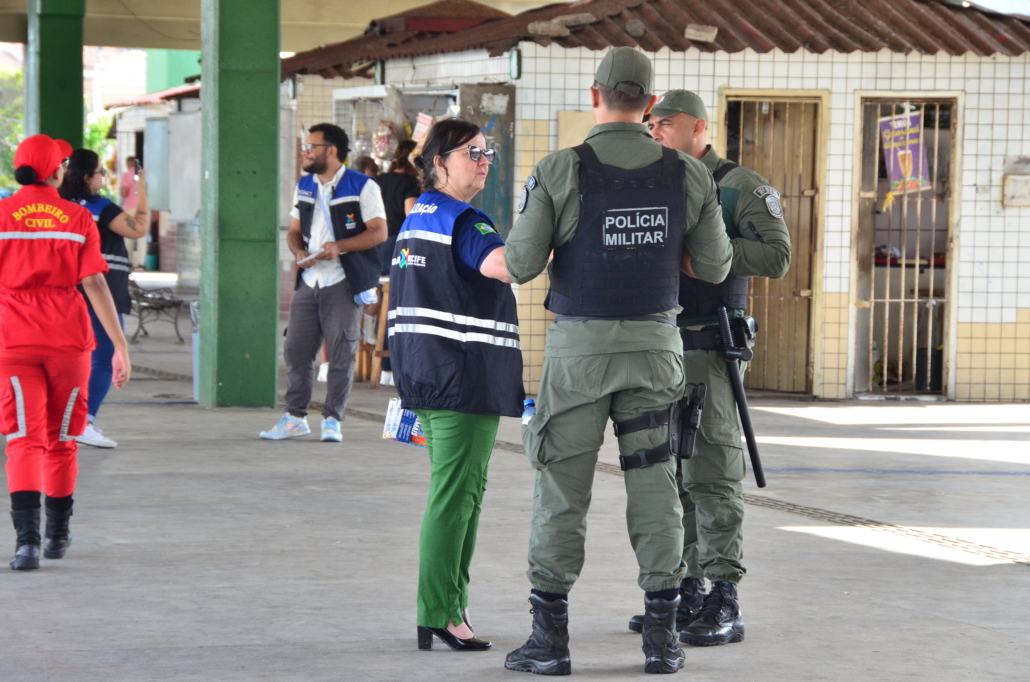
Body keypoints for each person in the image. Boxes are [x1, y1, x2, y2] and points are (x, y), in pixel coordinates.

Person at [502, 48, 733, 676]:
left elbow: (520, 264)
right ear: (652, 104)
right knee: (657, 485)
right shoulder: (688, 174)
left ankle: (550, 642)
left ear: (596, 93)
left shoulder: (558, 169)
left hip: (579, 355)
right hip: (658, 353)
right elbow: (715, 266)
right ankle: (663, 638)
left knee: (561, 490)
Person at [622, 90, 792, 646]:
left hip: (712, 350)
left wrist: (706, 252)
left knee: (713, 474)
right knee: (671, 477)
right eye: (652, 126)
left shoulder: (739, 186)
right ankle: (687, 586)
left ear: (698, 127)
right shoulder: (658, 183)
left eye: (666, 125)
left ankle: (725, 595)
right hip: (662, 347)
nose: (656, 135)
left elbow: (777, 255)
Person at [389, 118, 524, 652]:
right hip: (460, 379)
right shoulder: (464, 219)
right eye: (473, 152)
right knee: (455, 498)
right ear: (439, 161)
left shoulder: (419, 215)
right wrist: (558, 245)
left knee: (460, 494)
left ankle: (447, 607)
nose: (484, 161)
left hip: (427, 374)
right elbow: (502, 264)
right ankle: (441, 612)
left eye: (487, 152)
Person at [0, 134, 131, 570]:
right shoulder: (77, 217)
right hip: (68, 339)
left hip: (13, 339)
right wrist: (118, 345)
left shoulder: (2, 214)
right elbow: (95, 283)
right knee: (62, 439)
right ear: (57, 171)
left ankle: (27, 545)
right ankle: (57, 536)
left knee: (22, 438)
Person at [259, 123, 387, 442]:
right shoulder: (305, 185)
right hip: (309, 279)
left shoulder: (363, 186)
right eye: (305, 146)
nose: (305, 151)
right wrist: (298, 249)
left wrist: (339, 247)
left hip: (344, 279)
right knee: (296, 351)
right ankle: (294, 417)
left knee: (342, 350)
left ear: (331, 151)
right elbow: (292, 230)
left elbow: (379, 232)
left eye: (311, 147)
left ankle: (332, 420)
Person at [60, 149, 149, 449]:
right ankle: (82, 422)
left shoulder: (59, 206)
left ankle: (63, 420)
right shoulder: (100, 207)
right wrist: (143, 192)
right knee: (104, 357)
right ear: (87, 178)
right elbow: (139, 229)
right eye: (100, 172)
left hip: (61, 294)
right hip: (99, 293)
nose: (104, 176)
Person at [376, 140, 421, 276]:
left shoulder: (379, 179)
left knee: (379, 287)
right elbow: (412, 215)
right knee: (397, 283)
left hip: (376, 241)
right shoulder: (410, 182)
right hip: (397, 243)